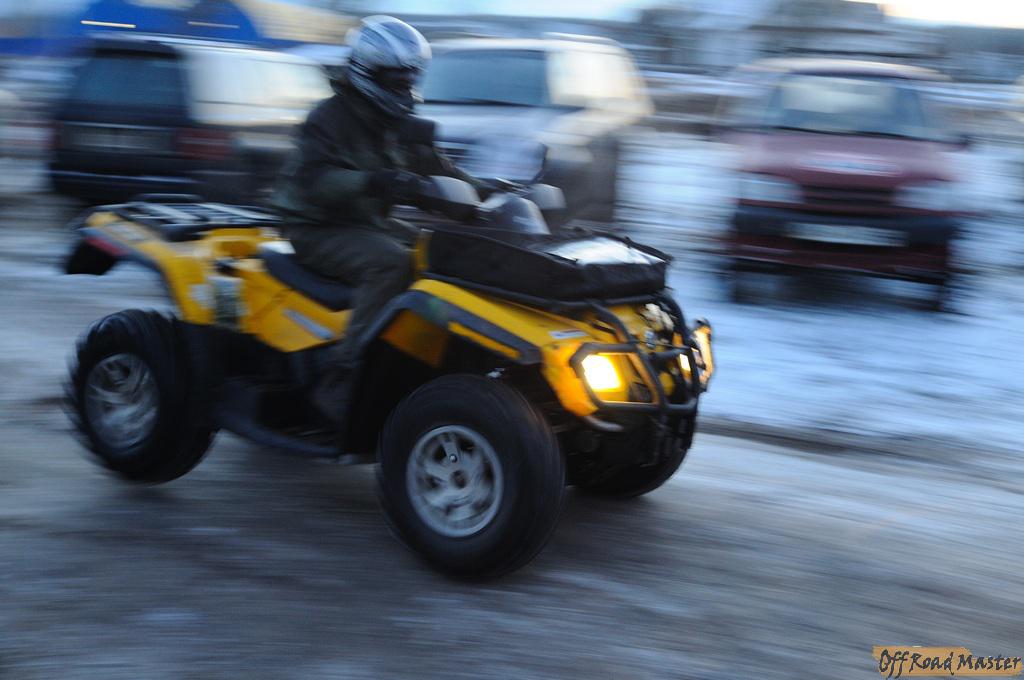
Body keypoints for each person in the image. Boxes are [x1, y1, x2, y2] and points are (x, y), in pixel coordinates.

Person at [271, 16, 479, 428]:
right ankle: (344, 377)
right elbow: (315, 182)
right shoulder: (328, 118)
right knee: (389, 264)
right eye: (395, 78)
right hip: (316, 225)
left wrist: (492, 191)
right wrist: (379, 182)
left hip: (367, 222)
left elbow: (441, 169)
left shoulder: (399, 122)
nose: (405, 86)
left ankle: (422, 364)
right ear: (368, 72)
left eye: (410, 77)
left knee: (438, 256)